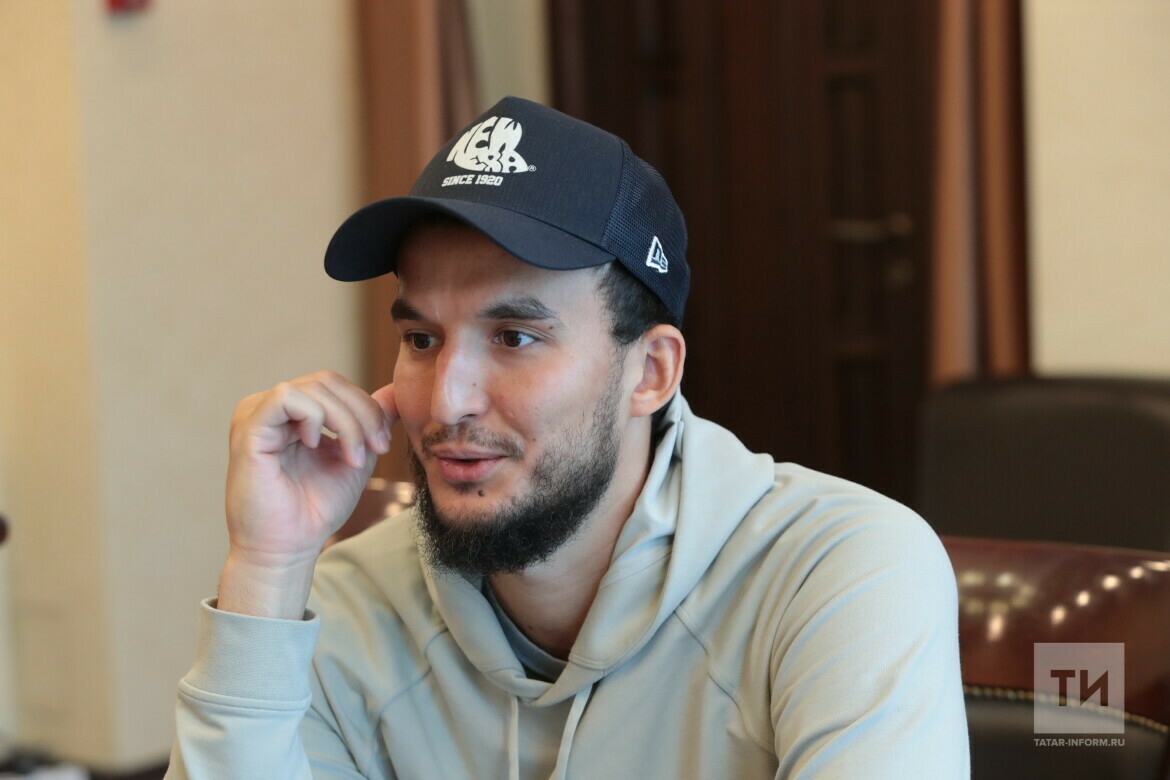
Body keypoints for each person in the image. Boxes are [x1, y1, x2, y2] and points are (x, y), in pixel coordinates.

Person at [167, 96, 969, 779]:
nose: (446, 399)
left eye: (514, 337)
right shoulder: (346, 606)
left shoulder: (838, 573)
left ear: (650, 372)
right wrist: (266, 572)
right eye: (421, 339)